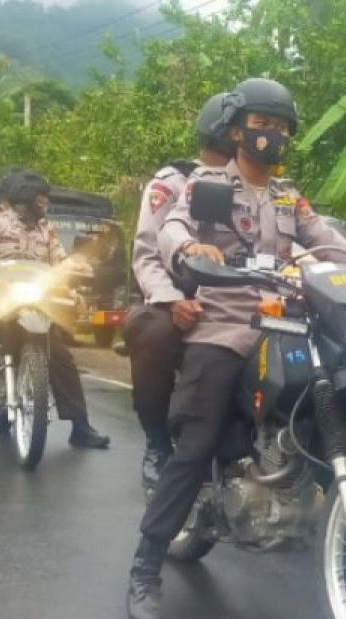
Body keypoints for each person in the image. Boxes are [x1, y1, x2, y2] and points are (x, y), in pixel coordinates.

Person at [124, 77, 346, 619]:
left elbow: (325, 237)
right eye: (263, 126)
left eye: (281, 128)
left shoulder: (288, 195)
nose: (272, 137)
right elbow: (173, 229)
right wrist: (188, 248)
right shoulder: (206, 184)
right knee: (199, 439)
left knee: (332, 396)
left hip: (284, 318)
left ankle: (343, 523)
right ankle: (145, 569)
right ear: (238, 131)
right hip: (225, 320)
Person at [0, 169, 111, 454]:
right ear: (24, 201)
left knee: (62, 357)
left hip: (34, 302)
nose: (45, 205)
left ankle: (81, 427)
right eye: (41, 201)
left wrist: (77, 268)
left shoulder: (47, 230)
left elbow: (60, 261)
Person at [123, 93, 237, 491]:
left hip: (236, 297)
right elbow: (147, 255)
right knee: (152, 334)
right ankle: (157, 443)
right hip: (175, 292)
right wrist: (172, 300)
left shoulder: (257, 186)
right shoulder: (171, 183)